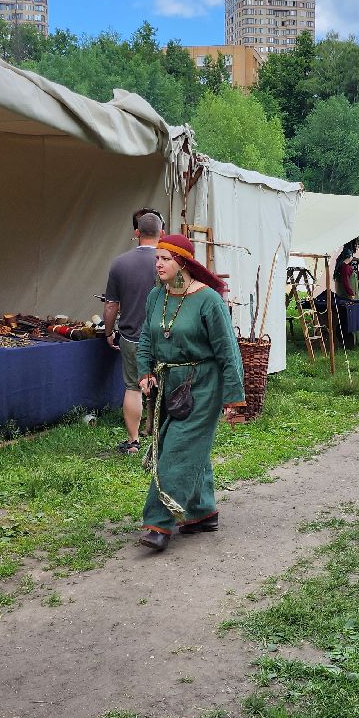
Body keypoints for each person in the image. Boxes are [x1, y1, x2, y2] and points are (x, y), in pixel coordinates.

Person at [136, 234, 245, 550]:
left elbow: (228, 351)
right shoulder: (156, 296)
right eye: (157, 259)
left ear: (182, 262)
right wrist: (145, 370)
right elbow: (147, 337)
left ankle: (159, 522)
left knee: (177, 450)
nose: (158, 264)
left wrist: (233, 397)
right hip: (169, 383)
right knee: (185, 446)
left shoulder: (209, 300)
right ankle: (201, 513)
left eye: (165, 259)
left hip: (203, 385)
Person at [103, 208, 163, 456]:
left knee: (133, 388)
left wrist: (108, 332)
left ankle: (133, 442)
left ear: (137, 233)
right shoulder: (169, 262)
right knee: (167, 386)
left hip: (131, 337)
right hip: (164, 336)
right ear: (162, 233)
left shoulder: (119, 263)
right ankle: (166, 439)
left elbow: (111, 305)